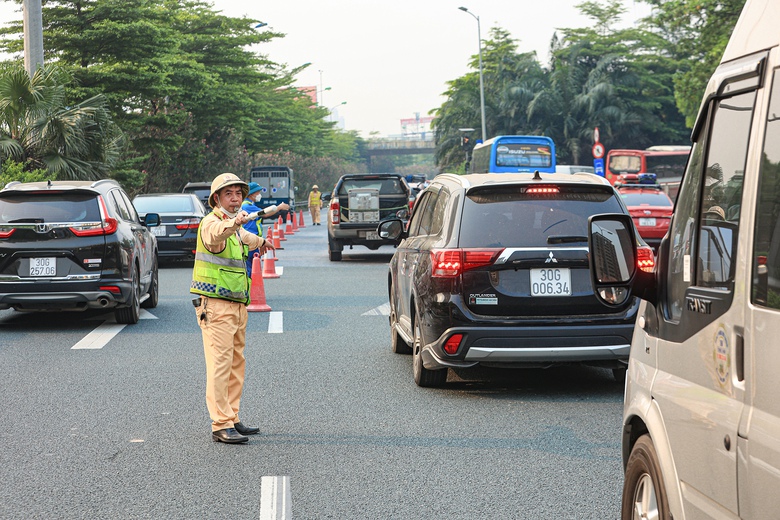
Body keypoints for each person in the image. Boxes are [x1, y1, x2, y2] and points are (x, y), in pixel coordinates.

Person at [190, 173, 274, 444]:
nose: (235, 197)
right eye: (229, 194)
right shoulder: (211, 223)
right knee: (220, 364)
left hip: (237, 304)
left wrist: (262, 242)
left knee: (237, 362)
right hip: (214, 305)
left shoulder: (234, 223)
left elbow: (244, 235)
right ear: (217, 198)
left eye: (238, 193)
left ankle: (232, 416)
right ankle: (220, 424)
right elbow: (217, 236)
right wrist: (234, 222)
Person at [240, 182, 289, 276]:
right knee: (249, 269)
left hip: (253, 241)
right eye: (257, 192)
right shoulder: (247, 206)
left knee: (252, 266)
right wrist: (279, 207)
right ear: (251, 194)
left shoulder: (250, 204)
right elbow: (265, 214)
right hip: (249, 242)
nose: (259, 195)